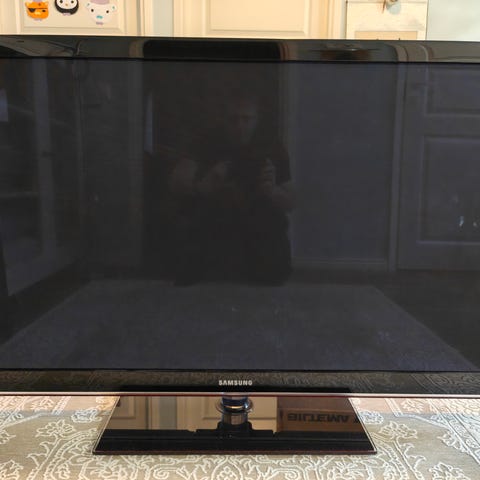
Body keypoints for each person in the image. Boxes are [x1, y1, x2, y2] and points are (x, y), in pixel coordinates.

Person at [169, 95, 294, 285]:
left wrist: (272, 191)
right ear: (223, 120)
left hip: (257, 220)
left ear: (257, 120)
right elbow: (176, 182)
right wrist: (202, 186)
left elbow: (292, 202)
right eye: (233, 119)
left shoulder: (271, 146)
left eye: (246, 119)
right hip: (214, 216)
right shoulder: (207, 141)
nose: (240, 126)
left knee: (275, 269)